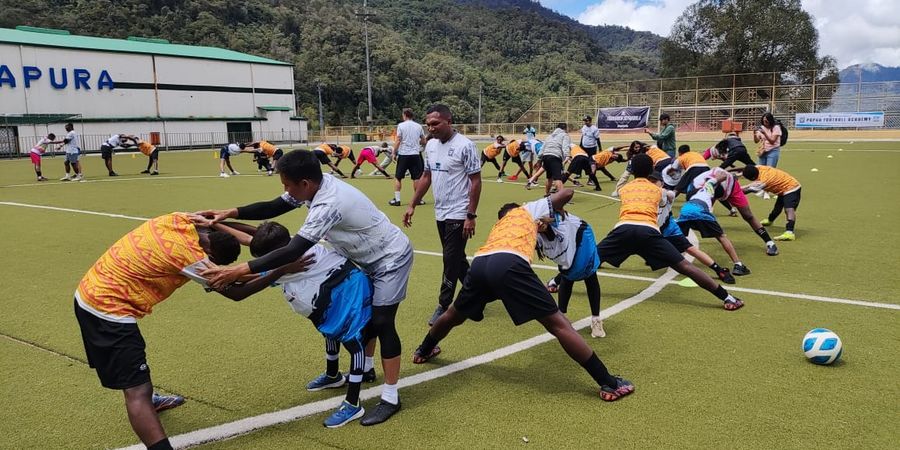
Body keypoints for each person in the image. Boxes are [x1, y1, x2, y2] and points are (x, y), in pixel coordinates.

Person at [196, 149, 413, 426]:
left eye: (287, 185)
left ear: (305, 184)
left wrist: (237, 270)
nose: (285, 190)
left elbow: (294, 249)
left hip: (389, 257)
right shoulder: (311, 186)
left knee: (382, 321)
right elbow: (274, 207)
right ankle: (367, 370)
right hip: (361, 256)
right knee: (366, 315)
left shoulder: (328, 204)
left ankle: (391, 397)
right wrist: (230, 213)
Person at [411, 188, 635, 402]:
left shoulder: (499, 226)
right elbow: (567, 193)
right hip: (510, 264)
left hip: (481, 263)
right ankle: (609, 383)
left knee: (453, 315)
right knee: (559, 325)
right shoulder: (527, 210)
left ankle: (424, 349)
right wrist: (543, 204)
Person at [73, 213, 242, 450]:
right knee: (136, 391)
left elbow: (214, 219)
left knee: (136, 360)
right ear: (211, 255)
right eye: (214, 261)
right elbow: (236, 292)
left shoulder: (178, 219)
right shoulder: (191, 257)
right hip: (106, 309)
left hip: (93, 290)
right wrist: (276, 270)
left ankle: (151, 402)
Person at [210, 221, 373, 428]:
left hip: (349, 294)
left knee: (353, 343)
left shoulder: (296, 261)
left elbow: (248, 282)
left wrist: (219, 277)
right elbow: (253, 238)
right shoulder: (293, 245)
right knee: (329, 332)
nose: (265, 262)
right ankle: (333, 375)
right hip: (331, 294)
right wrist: (217, 222)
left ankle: (353, 403)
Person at [596, 154, 745, 311]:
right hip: (649, 232)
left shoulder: (624, 189)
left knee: (590, 258)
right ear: (651, 170)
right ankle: (727, 297)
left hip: (623, 229)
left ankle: (567, 283)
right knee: (685, 266)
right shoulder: (659, 191)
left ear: (632, 170)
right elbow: (667, 197)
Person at [403, 104, 481, 326]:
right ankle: (476, 296)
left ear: (449, 121)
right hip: (441, 211)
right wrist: (412, 204)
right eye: (428, 124)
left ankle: (444, 305)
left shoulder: (465, 146)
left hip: (459, 211)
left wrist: (470, 215)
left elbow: (476, 181)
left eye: (435, 123)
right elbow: (426, 176)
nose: (431, 128)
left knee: (450, 259)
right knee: (457, 258)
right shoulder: (430, 145)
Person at [647, 171, 736, 284]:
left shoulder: (666, 193)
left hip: (669, 230)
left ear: (662, 183)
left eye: (655, 182)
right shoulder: (648, 195)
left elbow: (670, 195)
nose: (652, 184)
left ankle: (719, 270)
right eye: (649, 182)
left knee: (690, 249)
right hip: (658, 229)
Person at [535, 208, 605, 337]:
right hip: (566, 246)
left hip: (580, 235)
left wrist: (549, 218)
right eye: (535, 221)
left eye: (540, 219)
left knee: (589, 274)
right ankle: (562, 318)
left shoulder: (560, 220)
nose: (539, 223)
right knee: (567, 273)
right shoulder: (535, 236)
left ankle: (596, 319)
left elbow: (565, 196)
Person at [690, 167, 780, 256]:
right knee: (701, 215)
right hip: (716, 190)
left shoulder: (708, 184)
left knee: (748, 216)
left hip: (731, 187)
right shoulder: (696, 190)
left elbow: (724, 175)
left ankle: (770, 243)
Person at [676, 177, 752, 277]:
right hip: (699, 211)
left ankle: (662, 256)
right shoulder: (708, 188)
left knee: (676, 237)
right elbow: (717, 178)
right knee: (721, 237)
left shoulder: (695, 192)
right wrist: (728, 176)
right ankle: (738, 265)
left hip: (684, 211)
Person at [740, 164, 801, 241]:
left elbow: (746, 191)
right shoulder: (759, 167)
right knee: (777, 207)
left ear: (753, 178)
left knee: (788, 209)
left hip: (792, 188)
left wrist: (732, 191)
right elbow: (745, 169)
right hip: (783, 187)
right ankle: (769, 221)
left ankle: (790, 232)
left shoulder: (763, 182)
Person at [390, 108, 427, 206]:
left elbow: (398, 140)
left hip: (404, 154)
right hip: (415, 154)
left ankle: (397, 200)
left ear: (405, 115)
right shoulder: (418, 126)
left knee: (398, 177)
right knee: (416, 177)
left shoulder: (401, 126)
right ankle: (418, 199)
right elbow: (423, 140)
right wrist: (416, 142)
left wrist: (394, 152)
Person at [526, 123, 569, 194]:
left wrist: (539, 158)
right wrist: (567, 155)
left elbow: (543, 147)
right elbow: (565, 146)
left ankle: (547, 195)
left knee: (549, 178)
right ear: (564, 128)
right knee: (558, 178)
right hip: (555, 156)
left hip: (545, 157)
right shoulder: (564, 135)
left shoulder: (549, 136)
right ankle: (562, 197)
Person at [580, 115, 602, 183]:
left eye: (586, 121)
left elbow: (597, 139)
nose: (585, 122)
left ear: (590, 121)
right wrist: (580, 145)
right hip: (584, 147)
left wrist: (600, 148)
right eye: (584, 121)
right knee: (582, 161)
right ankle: (579, 174)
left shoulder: (594, 129)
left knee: (592, 163)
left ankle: (591, 179)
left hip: (592, 148)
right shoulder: (584, 127)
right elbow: (583, 136)